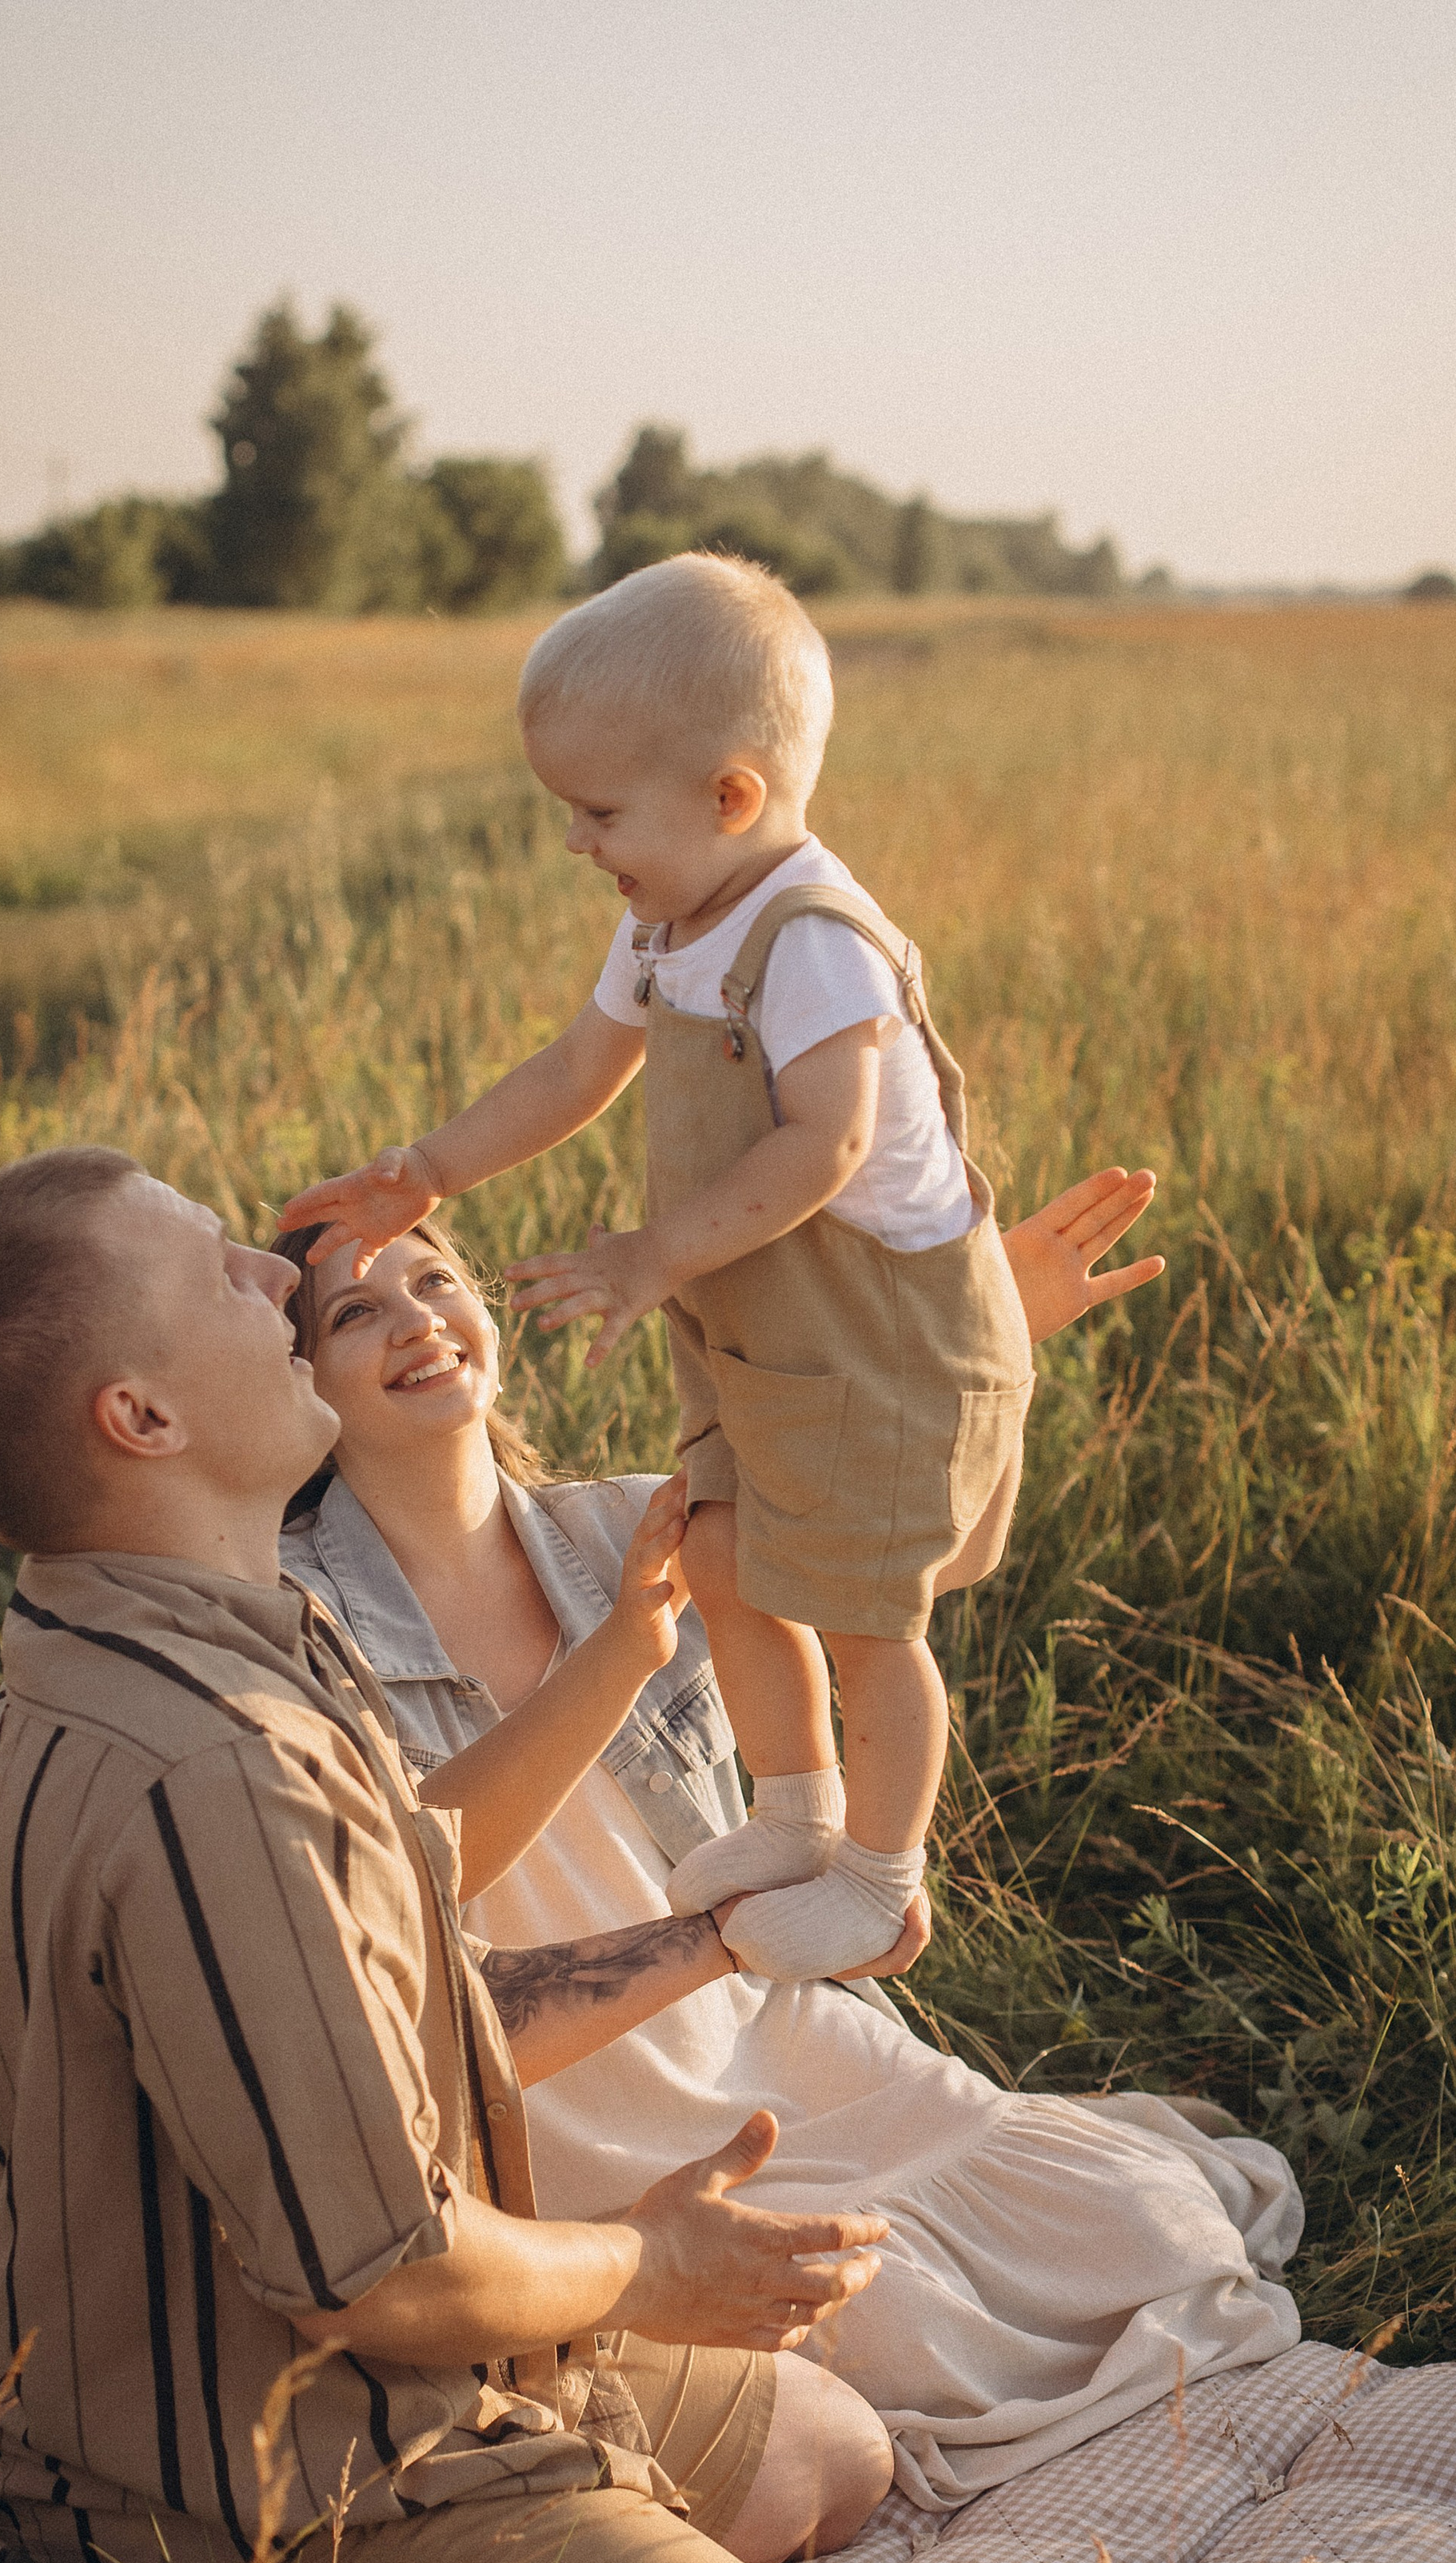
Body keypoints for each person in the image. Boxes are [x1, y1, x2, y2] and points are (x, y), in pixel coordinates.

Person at [0, 1144, 934, 2563]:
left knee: (828, 2453)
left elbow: (401, 1911)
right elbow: (381, 2280)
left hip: (359, 2368)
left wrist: (704, 1907)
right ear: (138, 1418)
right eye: (223, 1272)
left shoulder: (170, 1630)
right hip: (265, 2480)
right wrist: (643, 2268)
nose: (278, 1280)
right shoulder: (214, 1769)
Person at [273, 1216, 1304, 2508]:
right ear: (297, 1382)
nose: (416, 1316)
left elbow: (912, 1572)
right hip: (551, 2123)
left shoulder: (615, 1528)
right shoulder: (290, 1627)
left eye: (434, 1280)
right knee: (906, 2339)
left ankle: (1109, 2139)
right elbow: (406, 1891)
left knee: (1162, 2237)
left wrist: (988, 1366)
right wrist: (621, 1662)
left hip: (755, 2034)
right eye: (355, 1314)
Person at [278, 553, 1166, 1981]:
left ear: (732, 796)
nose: (577, 841)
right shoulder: (670, 917)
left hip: (883, 1331)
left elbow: (821, 1148)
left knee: (871, 1620)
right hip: (765, 1318)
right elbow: (581, 1066)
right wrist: (432, 1169)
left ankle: (880, 1873)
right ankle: (798, 1807)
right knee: (721, 1550)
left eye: (599, 810)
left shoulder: (813, 942)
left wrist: (645, 1257)